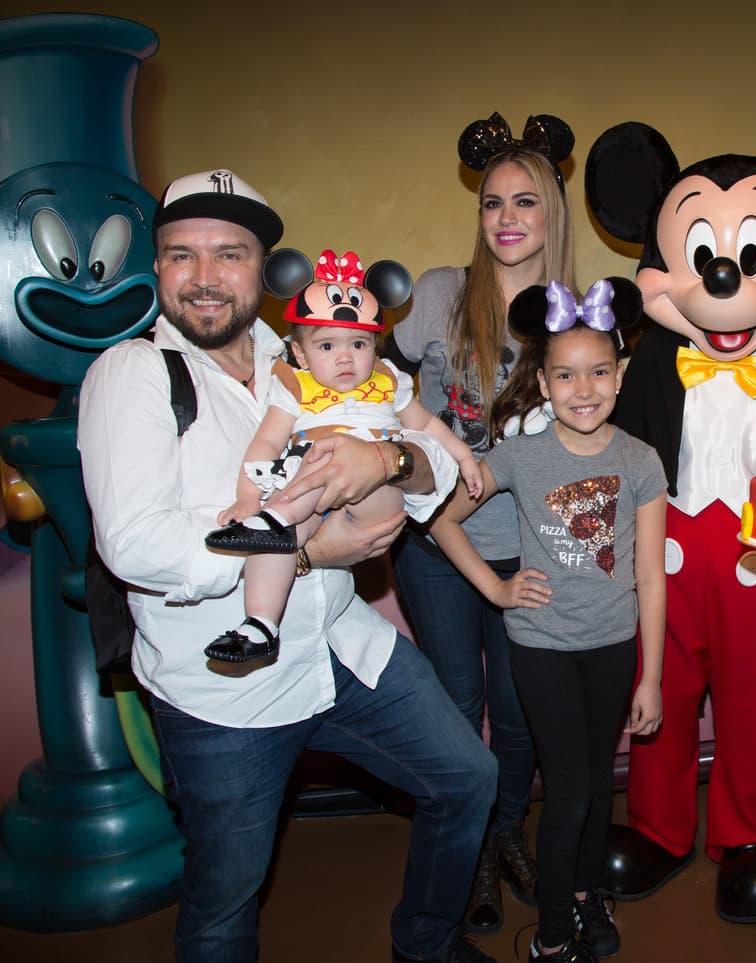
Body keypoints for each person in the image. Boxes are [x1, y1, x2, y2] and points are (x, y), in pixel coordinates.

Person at [78, 168, 499, 963]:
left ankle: (427, 940)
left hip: (342, 645)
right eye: (181, 255)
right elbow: (136, 544)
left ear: (266, 269)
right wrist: (304, 551)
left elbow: (432, 482)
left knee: (467, 776)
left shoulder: (315, 350)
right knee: (225, 898)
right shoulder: (133, 376)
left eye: (229, 254)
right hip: (224, 690)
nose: (204, 277)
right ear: (156, 267)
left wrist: (386, 456)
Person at [429, 278, 666, 963]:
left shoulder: (640, 460)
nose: (583, 388)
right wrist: (495, 588)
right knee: (565, 789)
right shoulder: (521, 456)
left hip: (614, 646)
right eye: (565, 374)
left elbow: (650, 574)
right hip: (542, 647)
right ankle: (554, 934)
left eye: (598, 372)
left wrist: (650, 676)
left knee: (597, 781)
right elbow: (442, 519)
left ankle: (587, 895)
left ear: (619, 376)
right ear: (542, 381)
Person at [382, 113, 576, 930]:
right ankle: (467, 865)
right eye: (493, 202)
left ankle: (503, 837)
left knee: (523, 710)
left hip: (528, 545)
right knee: (459, 703)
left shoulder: (571, 314)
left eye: (525, 202)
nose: (505, 218)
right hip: (436, 543)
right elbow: (378, 393)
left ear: (551, 215)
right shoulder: (438, 296)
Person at [203, 253, 482, 670]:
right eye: (327, 346)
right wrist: (246, 499)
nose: (346, 358)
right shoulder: (294, 387)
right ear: (298, 352)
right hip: (307, 494)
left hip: (374, 498)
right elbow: (265, 443)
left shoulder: (388, 380)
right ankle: (260, 624)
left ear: (376, 345)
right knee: (279, 543)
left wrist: (464, 457)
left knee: (299, 503)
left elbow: (426, 424)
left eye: (359, 344)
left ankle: (276, 521)